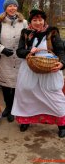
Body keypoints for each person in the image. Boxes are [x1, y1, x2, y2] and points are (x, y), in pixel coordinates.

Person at [11, 9, 65, 138]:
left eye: (40, 20)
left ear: (44, 20)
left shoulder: (52, 32)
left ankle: (62, 124)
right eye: (34, 20)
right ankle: (26, 120)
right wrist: (29, 51)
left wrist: (62, 63)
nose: (38, 22)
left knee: (54, 94)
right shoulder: (25, 33)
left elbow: (61, 50)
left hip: (50, 68)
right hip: (29, 68)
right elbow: (19, 51)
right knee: (26, 93)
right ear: (30, 22)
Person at [0, 0, 28, 122]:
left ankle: (15, 109)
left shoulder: (23, 22)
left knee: (18, 85)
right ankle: (8, 107)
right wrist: (2, 49)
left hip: (19, 59)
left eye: (14, 6)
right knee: (6, 86)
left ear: (17, 8)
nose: (12, 8)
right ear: (5, 8)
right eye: (9, 6)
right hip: (5, 59)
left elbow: (28, 40)